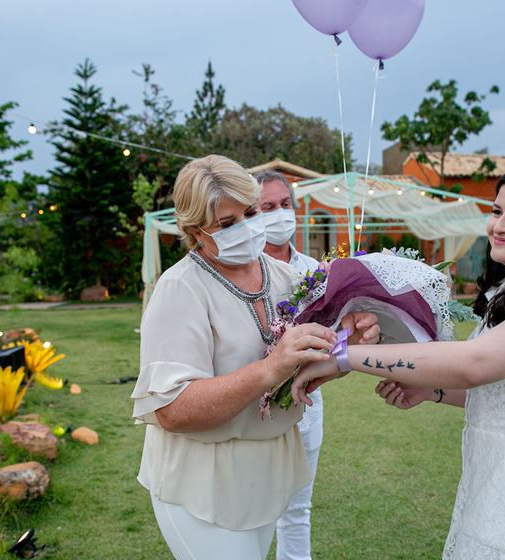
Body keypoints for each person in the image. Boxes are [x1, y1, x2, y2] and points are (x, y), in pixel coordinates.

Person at [291, 161, 505, 559]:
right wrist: (432, 391)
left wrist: (343, 355)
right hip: (487, 483)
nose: (499, 226)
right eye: (497, 212)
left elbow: (476, 362)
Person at [131, 155, 378, 560]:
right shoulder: (180, 290)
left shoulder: (288, 278)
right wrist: (268, 369)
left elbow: (311, 362)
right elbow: (172, 411)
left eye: (249, 212)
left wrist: (349, 338)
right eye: (227, 224)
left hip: (267, 476)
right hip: (204, 485)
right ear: (196, 232)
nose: (246, 227)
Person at [255, 170, 326, 560]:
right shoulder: (245, 269)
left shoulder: (315, 269)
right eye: (268, 207)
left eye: (285, 205)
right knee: (258, 510)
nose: (280, 214)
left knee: (298, 510)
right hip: (257, 409)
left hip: (308, 408)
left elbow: (333, 335)